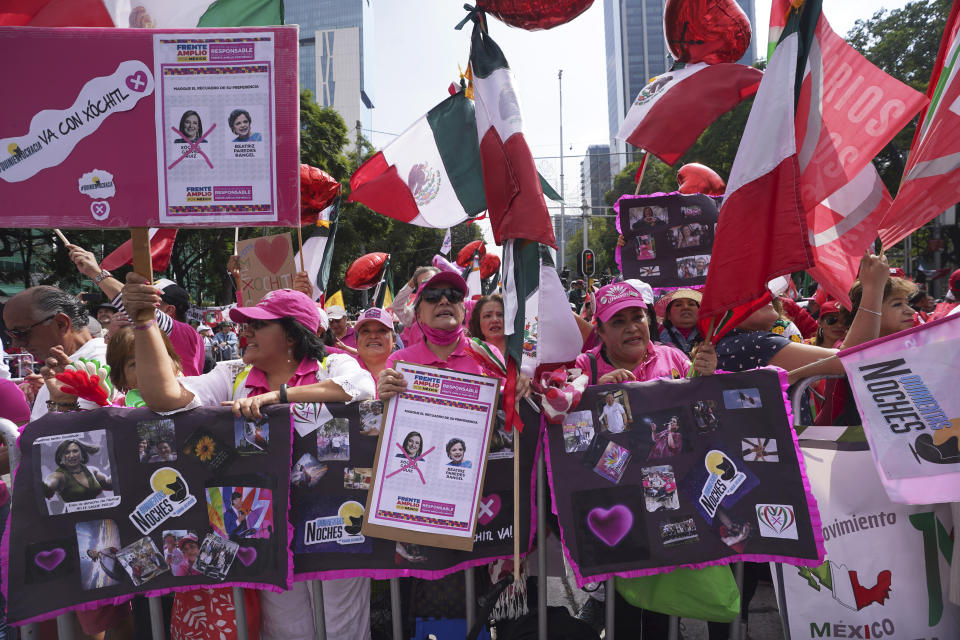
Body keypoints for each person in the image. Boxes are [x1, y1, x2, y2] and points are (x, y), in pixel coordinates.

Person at [121, 277, 374, 640]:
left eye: (259, 324)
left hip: (335, 525)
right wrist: (145, 321)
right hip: (266, 532)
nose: (246, 331)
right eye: (246, 324)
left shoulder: (331, 364)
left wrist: (277, 397)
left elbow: (359, 388)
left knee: (343, 629)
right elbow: (165, 397)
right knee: (288, 632)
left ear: (291, 335)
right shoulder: (232, 373)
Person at [67, 246, 206, 377]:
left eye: (151, 300)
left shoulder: (188, 334)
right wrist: (113, 335)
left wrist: (96, 273)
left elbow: (135, 305)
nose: (141, 305)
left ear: (169, 309)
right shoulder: (144, 333)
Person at [378, 272, 513, 401]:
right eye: (432, 295)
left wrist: (519, 386)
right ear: (419, 315)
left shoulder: (488, 354)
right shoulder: (400, 361)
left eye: (453, 295)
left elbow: (507, 408)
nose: (444, 301)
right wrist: (384, 397)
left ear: (463, 309)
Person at [576, 281, 716, 385]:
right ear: (600, 331)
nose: (631, 328)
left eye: (637, 317)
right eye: (618, 322)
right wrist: (597, 394)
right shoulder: (583, 367)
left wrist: (706, 374)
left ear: (648, 319)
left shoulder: (673, 357)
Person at [3, 285, 108, 419]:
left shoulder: (97, 363)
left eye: (20, 333)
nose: (15, 344)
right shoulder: (75, 362)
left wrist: (62, 405)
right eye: (11, 335)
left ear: (61, 323)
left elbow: (78, 436)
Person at [43, 439, 112, 503]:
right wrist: (46, 487)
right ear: (60, 458)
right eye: (67, 452)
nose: (72, 455)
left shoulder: (92, 470)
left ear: (82, 454)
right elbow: (48, 485)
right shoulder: (58, 476)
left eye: (75, 451)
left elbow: (108, 484)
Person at [353, 307, 397, 382]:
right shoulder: (341, 369)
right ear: (356, 341)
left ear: (394, 340)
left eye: (381, 330)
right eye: (365, 331)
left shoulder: (405, 372)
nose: (373, 336)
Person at [658, 289, 703, 356]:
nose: (686, 307)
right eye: (678, 305)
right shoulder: (657, 336)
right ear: (668, 315)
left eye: (691, 304)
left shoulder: (709, 335)